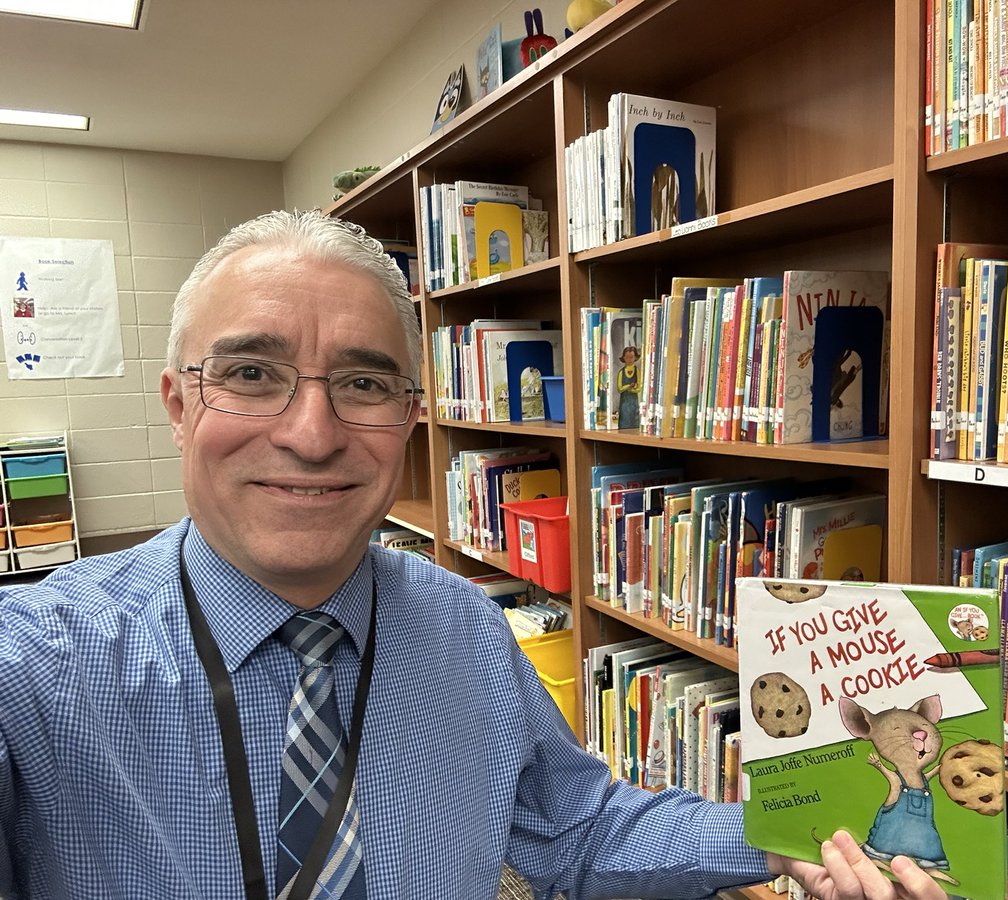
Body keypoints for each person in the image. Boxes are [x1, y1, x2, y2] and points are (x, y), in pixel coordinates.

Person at [0, 210, 948, 900]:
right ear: (178, 403)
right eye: (253, 374)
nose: (314, 432)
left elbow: (578, 828)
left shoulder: (463, 626)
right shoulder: (34, 666)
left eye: (364, 383)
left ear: (412, 418)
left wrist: (785, 832)